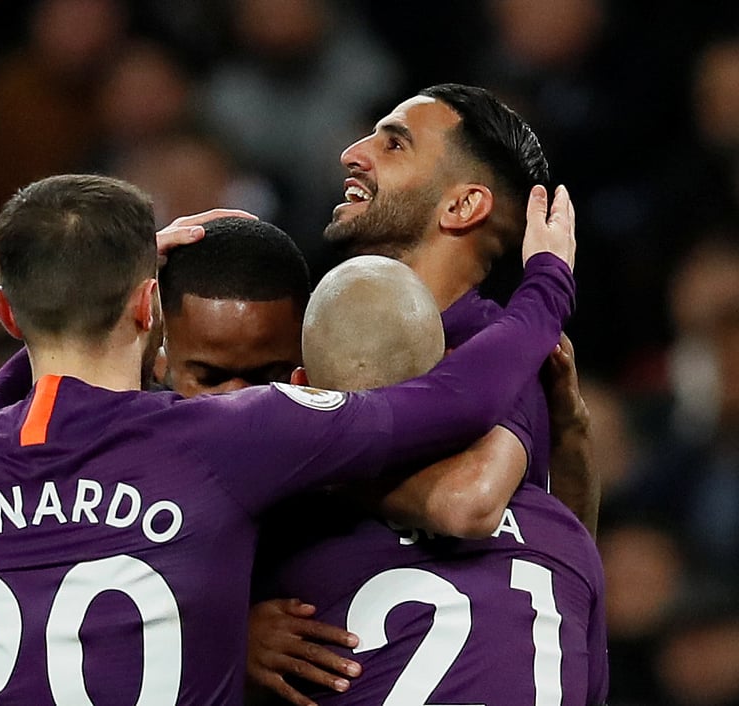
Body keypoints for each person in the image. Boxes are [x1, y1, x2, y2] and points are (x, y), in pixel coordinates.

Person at [0, 172, 575, 704]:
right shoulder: (222, 439)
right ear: (151, 308)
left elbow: (8, 410)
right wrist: (546, 282)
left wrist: (84, 296)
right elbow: (461, 398)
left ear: (5, 314)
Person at [246, 83, 599, 702]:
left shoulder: (497, 351)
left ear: (462, 206)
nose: (352, 154)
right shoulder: (303, 331)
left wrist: (291, 450)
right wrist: (221, 629)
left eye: (394, 143)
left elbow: (470, 504)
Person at [250, 255, 607, 705]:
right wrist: (573, 433)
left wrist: (223, 645)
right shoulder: (561, 535)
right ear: (447, 377)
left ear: (302, 385)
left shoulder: (279, 530)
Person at [156, 215, 310, 397]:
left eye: (269, 379)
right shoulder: (121, 420)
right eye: (210, 378)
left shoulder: (341, 417)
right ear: (160, 356)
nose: (237, 402)